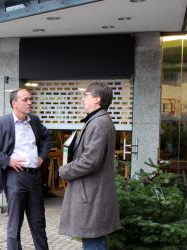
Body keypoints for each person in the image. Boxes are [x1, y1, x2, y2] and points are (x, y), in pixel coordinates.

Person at [0, 89, 51, 250]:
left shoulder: (35, 121)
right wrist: (7, 160)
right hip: (15, 177)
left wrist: (42, 156)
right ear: (14, 103)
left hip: (35, 178)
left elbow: (47, 137)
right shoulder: (2, 122)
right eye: (25, 100)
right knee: (15, 224)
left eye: (30, 99)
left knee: (39, 222)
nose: (30, 102)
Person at [58, 82, 121, 250]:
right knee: (95, 239)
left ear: (97, 99)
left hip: (92, 195)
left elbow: (90, 161)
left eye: (86, 95)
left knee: (93, 240)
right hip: (92, 193)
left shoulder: (99, 123)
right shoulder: (98, 120)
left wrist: (65, 170)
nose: (82, 99)